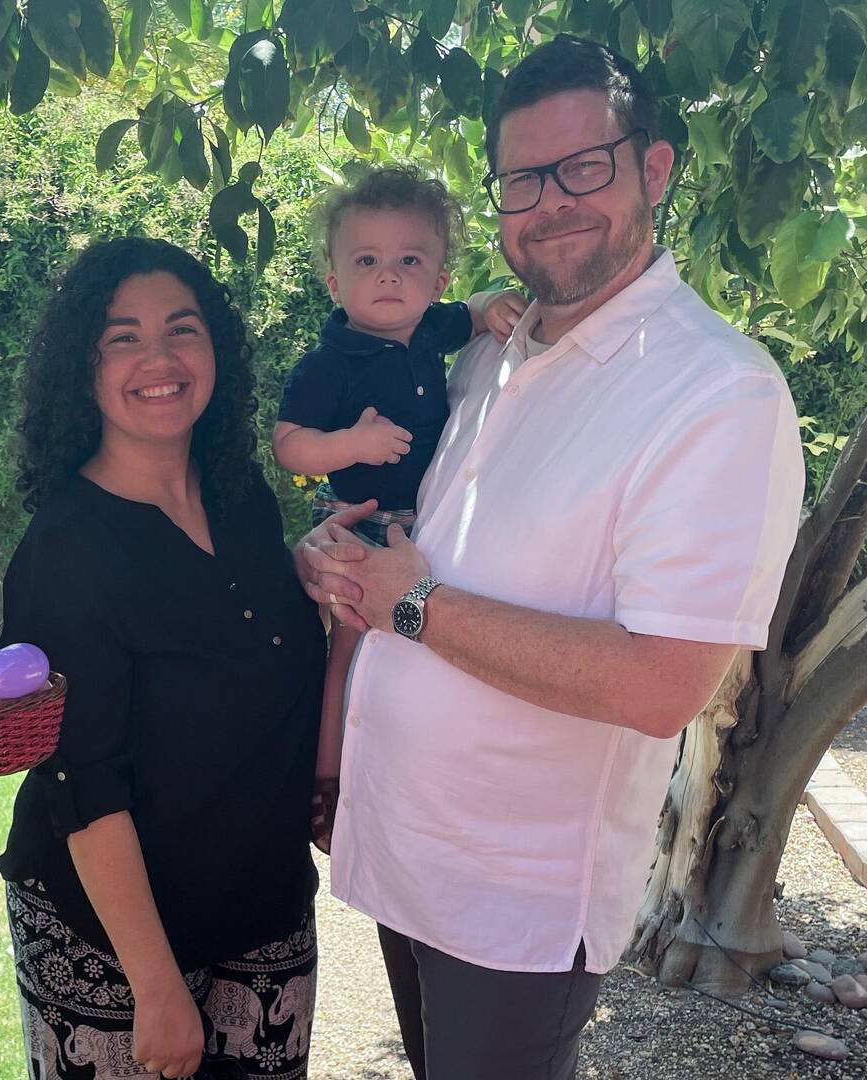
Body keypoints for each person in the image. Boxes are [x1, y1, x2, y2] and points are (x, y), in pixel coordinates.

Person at [296, 35, 804, 1080]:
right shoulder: (487, 353)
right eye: (525, 177)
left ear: (653, 169)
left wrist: (414, 604)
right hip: (405, 848)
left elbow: (661, 684)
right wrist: (337, 554)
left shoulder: (717, 394)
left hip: (514, 899)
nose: (553, 200)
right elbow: (409, 536)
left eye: (586, 166)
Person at [0, 237, 326, 1080]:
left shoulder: (242, 496)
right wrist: (154, 984)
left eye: (182, 330)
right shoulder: (66, 548)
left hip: (262, 903)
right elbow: (83, 779)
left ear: (215, 349)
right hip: (111, 938)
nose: (159, 359)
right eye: (122, 337)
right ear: (85, 365)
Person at [270, 165, 523, 848]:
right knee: (348, 641)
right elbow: (289, 445)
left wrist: (495, 301)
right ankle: (327, 782)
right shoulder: (329, 362)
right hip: (365, 519)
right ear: (335, 283)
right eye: (368, 261)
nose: (389, 276)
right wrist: (352, 443)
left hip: (427, 524)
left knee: (418, 649)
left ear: (437, 281)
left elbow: (472, 315)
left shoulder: (431, 330)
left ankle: (405, 776)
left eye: (410, 260)